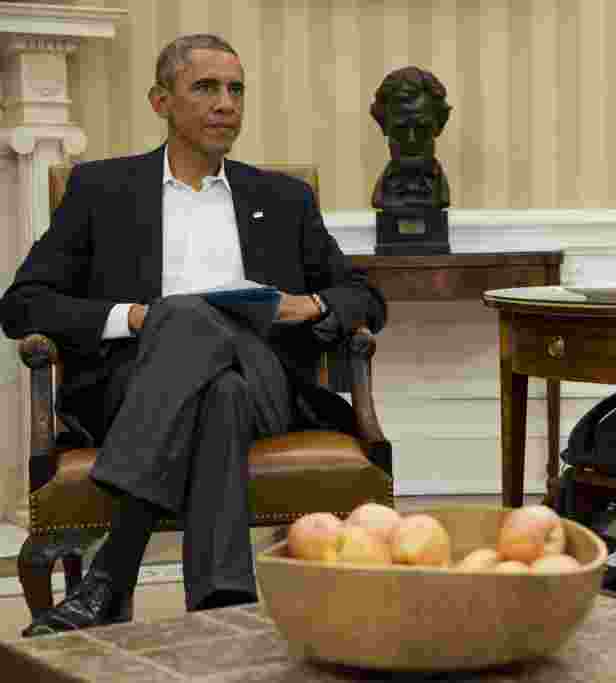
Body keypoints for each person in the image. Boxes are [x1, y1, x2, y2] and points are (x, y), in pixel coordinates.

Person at [0, 34, 386, 637]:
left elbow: (364, 296)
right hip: (132, 386)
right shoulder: (101, 191)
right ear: (161, 101)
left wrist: (303, 306)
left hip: (268, 383)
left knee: (196, 331)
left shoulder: (282, 199)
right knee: (211, 382)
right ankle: (221, 610)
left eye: (235, 90)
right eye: (205, 88)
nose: (225, 103)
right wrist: (134, 317)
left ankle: (113, 571)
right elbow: (23, 306)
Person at [370, 65, 452, 210]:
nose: (411, 139)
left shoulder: (440, 190)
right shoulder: (383, 193)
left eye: (422, 129)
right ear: (384, 126)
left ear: (438, 126)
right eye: (400, 130)